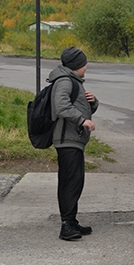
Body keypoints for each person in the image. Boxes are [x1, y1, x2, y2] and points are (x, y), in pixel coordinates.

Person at [49, 46, 99, 241]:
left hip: (73, 139)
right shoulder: (65, 81)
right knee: (70, 181)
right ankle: (67, 225)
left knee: (75, 180)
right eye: (84, 64)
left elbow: (78, 105)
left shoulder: (72, 80)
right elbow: (61, 106)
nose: (86, 67)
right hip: (67, 139)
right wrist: (82, 121)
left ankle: (71, 220)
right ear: (77, 65)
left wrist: (92, 102)